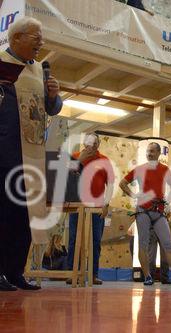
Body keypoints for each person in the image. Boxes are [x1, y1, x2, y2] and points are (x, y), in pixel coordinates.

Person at [0, 17, 62, 291]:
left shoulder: (39, 70)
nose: (41, 43)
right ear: (16, 38)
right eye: (35, 37)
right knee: (5, 211)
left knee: (27, 213)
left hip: (34, 152)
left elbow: (52, 109)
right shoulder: (1, 61)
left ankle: (15, 272)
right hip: (7, 149)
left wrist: (53, 96)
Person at [119, 142, 171, 286]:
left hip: (159, 212)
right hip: (143, 211)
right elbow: (122, 183)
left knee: (169, 244)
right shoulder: (140, 169)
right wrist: (133, 195)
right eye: (148, 151)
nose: (149, 154)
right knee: (143, 245)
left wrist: (169, 205)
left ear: (159, 153)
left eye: (152, 151)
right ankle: (147, 276)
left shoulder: (165, 170)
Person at [66, 133, 115, 286]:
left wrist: (106, 204)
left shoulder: (104, 160)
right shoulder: (74, 157)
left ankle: (93, 274)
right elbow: (65, 177)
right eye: (88, 142)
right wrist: (80, 159)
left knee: (95, 241)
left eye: (94, 143)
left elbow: (111, 184)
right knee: (74, 239)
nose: (90, 146)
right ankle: (71, 273)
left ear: (97, 145)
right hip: (76, 204)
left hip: (97, 206)